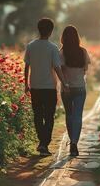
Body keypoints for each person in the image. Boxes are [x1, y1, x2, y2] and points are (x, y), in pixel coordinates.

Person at [24, 18, 70, 156]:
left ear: (39, 29)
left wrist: (26, 84)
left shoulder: (31, 46)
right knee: (49, 116)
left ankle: (42, 142)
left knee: (37, 115)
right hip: (49, 87)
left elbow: (27, 66)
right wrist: (64, 83)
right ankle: (44, 143)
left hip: (35, 87)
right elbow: (57, 67)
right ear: (50, 31)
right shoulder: (52, 48)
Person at [60, 25, 91, 157]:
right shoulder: (83, 52)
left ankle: (71, 140)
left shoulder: (61, 53)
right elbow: (85, 69)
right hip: (80, 88)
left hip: (66, 89)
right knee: (78, 116)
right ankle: (74, 143)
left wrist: (65, 83)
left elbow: (59, 70)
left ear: (63, 38)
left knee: (69, 115)